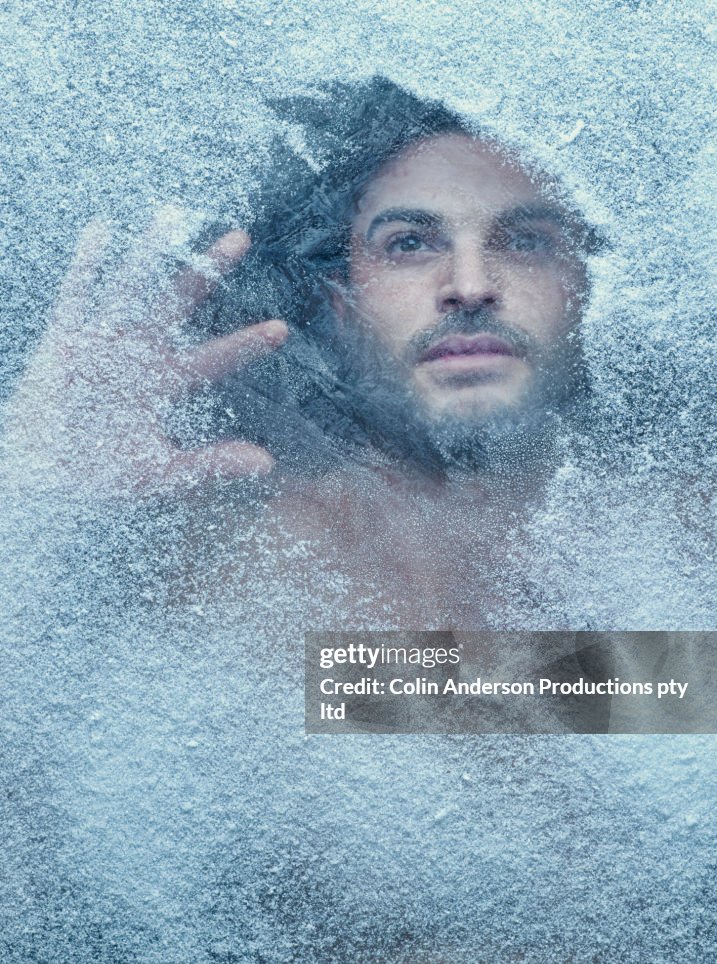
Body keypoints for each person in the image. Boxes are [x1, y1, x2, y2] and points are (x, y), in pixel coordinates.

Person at [2, 76, 602, 627]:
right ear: (342, 301)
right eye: (410, 242)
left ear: (590, 292)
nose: (470, 286)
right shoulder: (251, 571)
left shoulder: (682, 535)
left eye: (526, 241)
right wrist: (36, 503)